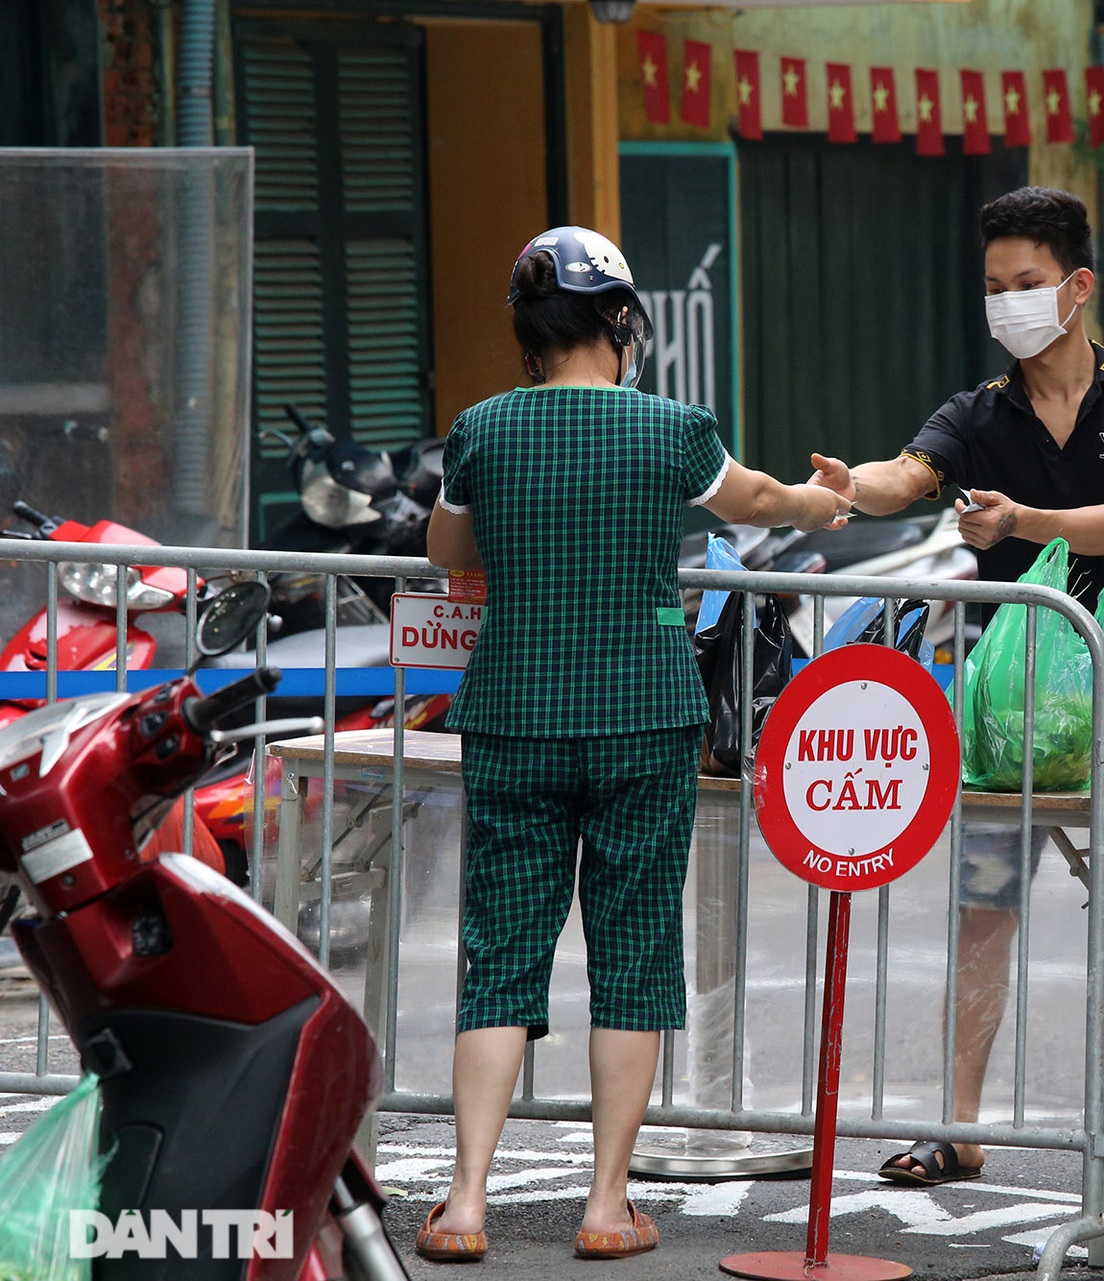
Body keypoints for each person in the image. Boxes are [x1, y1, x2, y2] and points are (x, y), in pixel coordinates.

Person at [419, 226, 846, 1262]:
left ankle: (465, 1204)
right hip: (643, 718)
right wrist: (822, 500)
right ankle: (608, 1206)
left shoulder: (481, 429)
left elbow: (445, 550)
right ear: (619, 323)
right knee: (633, 953)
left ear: (528, 334)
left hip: (514, 715)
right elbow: (759, 501)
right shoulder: (673, 429)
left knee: (500, 955)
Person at [807, 186, 1104, 1193]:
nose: (1008, 303)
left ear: (1078, 285)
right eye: (993, 286)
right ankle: (959, 1126)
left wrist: (1019, 520)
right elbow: (906, 473)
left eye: (1026, 283)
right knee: (983, 917)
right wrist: (851, 485)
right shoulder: (975, 415)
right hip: (1001, 723)